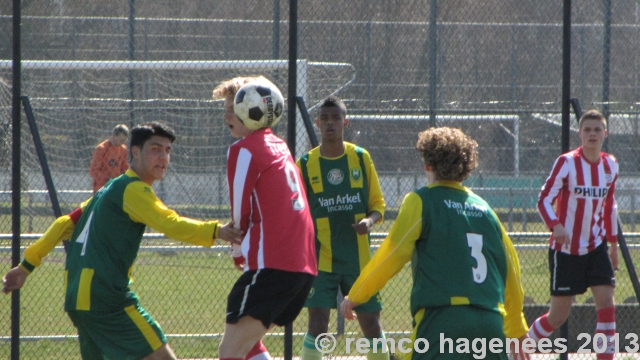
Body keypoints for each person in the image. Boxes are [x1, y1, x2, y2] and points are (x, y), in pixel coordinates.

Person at [3, 121, 243, 360]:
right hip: (107, 300)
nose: (163, 157)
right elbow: (171, 223)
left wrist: (26, 267)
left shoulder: (109, 189)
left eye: (167, 151)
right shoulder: (133, 189)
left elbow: (63, 224)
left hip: (78, 298)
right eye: (155, 149)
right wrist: (217, 231)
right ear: (135, 152)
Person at [340, 127, 530, 360]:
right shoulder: (486, 209)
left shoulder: (421, 200)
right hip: (489, 323)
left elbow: (391, 255)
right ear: (465, 167)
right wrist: (518, 329)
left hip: (442, 320)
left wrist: (356, 294)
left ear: (428, 165)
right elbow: (511, 273)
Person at [212, 76, 317, 360]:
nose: (226, 115)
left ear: (252, 110)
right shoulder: (279, 145)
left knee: (230, 352)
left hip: (274, 263)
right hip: (302, 266)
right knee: (247, 344)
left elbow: (239, 214)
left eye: (232, 109)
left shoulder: (244, 149)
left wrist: (236, 252)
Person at [296, 95, 388, 360]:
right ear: (316, 123)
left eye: (336, 118)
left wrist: (369, 221)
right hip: (321, 259)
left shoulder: (360, 158)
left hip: (358, 260)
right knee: (318, 326)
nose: (330, 123)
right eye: (324, 118)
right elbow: (297, 211)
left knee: (371, 325)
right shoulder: (305, 164)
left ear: (345, 122)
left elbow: (378, 204)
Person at [529, 109, 618, 360]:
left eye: (597, 130)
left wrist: (612, 245)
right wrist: (555, 224)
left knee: (607, 305)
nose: (592, 134)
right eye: (587, 130)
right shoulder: (567, 163)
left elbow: (609, 206)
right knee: (558, 316)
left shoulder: (610, 165)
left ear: (605, 134)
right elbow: (544, 199)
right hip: (566, 250)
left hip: (596, 246)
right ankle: (521, 346)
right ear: (579, 134)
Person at [89, 123, 130, 193]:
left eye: (124, 141)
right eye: (121, 140)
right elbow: (93, 170)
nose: (122, 143)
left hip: (116, 186)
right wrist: (107, 179)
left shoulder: (123, 149)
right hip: (102, 188)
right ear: (114, 136)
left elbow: (124, 168)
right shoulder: (101, 149)